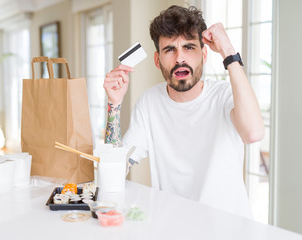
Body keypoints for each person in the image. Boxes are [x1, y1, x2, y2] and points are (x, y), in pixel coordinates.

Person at [103, 5, 264, 218]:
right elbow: (113, 172)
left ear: (204, 55)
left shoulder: (225, 96)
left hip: (229, 229)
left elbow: (253, 133)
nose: (180, 58)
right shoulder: (149, 103)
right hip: (174, 226)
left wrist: (228, 52)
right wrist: (114, 104)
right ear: (157, 60)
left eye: (189, 47)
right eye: (170, 49)